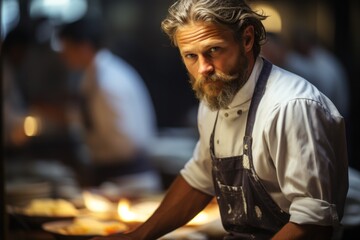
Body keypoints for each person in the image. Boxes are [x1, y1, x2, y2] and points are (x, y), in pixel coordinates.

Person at [92, 0, 349, 239]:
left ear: (247, 39)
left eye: (214, 50)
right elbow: (200, 178)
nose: (203, 68)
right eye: (190, 56)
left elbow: (313, 222)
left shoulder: (291, 107)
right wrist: (137, 236)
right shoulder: (214, 99)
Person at [57, 17, 161, 193]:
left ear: (83, 47)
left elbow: (126, 144)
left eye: (66, 48)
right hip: (113, 178)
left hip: (129, 181)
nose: (62, 55)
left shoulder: (109, 81)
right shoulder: (93, 75)